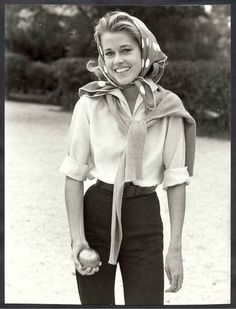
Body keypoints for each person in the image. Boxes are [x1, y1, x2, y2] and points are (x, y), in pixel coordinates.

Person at [59, 10, 196, 305]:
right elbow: (73, 175)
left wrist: (175, 248)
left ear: (143, 50)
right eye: (109, 53)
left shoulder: (168, 107)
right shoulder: (88, 104)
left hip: (145, 216)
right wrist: (78, 240)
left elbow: (175, 181)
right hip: (97, 214)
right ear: (102, 57)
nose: (117, 60)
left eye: (126, 50)